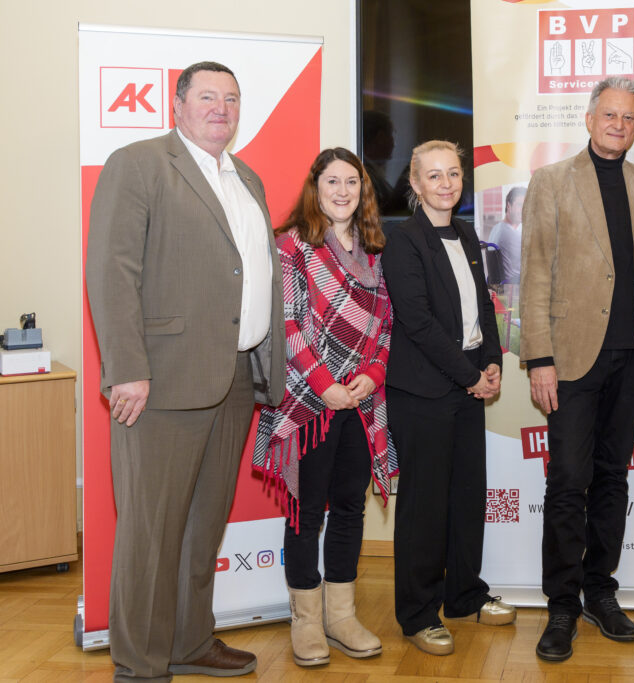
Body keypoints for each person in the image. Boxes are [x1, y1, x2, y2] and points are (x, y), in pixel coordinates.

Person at [85, 61, 286, 680]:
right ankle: (141, 664)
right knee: (152, 533)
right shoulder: (140, 163)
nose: (220, 107)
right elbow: (111, 272)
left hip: (233, 380)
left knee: (202, 527)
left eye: (231, 98)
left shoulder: (246, 176)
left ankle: (190, 639)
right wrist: (127, 369)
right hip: (161, 383)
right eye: (207, 96)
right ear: (177, 105)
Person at [520, 76, 634, 662]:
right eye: (609, 114)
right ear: (589, 119)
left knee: (613, 477)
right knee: (567, 480)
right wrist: (538, 357)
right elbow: (534, 272)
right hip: (570, 358)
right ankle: (561, 604)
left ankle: (600, 590)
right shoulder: (551, 181)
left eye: (629, 117)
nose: (618, 124)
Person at [252, 148, 392, 666]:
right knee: (306, 511)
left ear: (363, 190)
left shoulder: (375, 248)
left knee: (351, 507)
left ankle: (342, 616)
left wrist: (372, 374)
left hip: (360, 399)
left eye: (351, 182)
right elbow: (287, 323)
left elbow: (387, 323)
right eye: (331, 181)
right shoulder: (292, 245)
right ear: (316, 187)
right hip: (308, 402)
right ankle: (307, 622)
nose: (342, 191)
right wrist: (323, 382)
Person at [382, 140, 516, 656]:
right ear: (415, 184)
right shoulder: (404, 241)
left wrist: (493, 363)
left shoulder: (466, 232)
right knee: (425, 505)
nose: (445, 184)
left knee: (467, 496)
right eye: (433, 176)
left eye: (453, 174)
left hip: (466, 384)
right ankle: (418, 615)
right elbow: (416, 321)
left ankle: (464, 595)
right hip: (424, 391)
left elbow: (484, 304)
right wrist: (468, 376)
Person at [488, 186, 526, 283]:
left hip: (505, 285)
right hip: (515, 287)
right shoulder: (510, 234)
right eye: (519, 205)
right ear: (509, 206)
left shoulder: (497, 228)